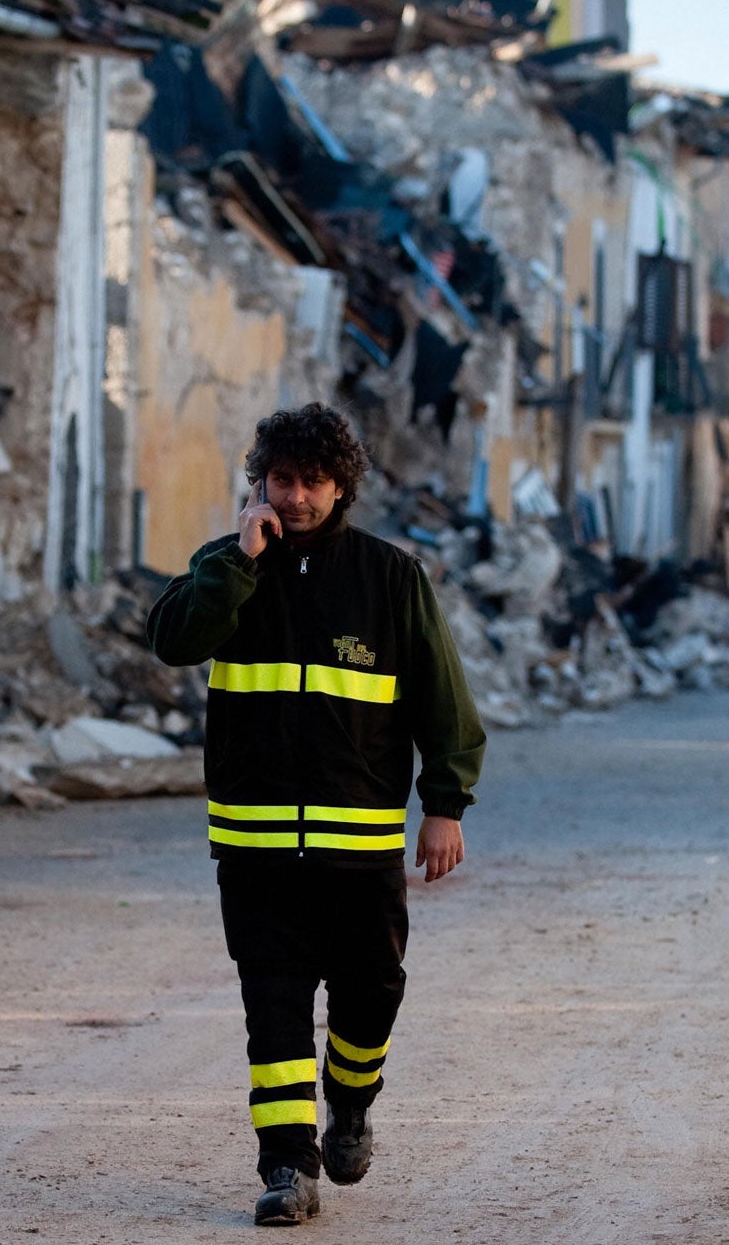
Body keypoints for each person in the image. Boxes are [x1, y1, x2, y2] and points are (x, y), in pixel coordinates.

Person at [146, 403, 485, 1226]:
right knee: (274, 1009)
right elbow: (174, 641)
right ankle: (287, 1170)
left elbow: (445, 703)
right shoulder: (226, 567)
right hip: (255, 849)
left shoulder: (391, 578)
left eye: (313, 482)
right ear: (258, 483)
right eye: (281, 480)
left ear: (343, 488)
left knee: (372, 995)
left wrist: (443, 806)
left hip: (361, 851)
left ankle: (354, 1100)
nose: (295, 497)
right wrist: (237, 565)